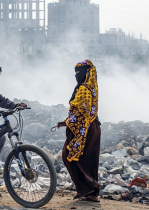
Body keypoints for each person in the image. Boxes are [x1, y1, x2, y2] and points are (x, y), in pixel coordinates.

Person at [57, 59, 101, 202]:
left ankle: (84, 188)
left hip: (83, 130)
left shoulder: (83, 89)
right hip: (94, 127)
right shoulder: (92, 88)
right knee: (89, 160)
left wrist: (67, 122)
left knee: (69, 155)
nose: (76, 75)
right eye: (75, 73)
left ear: (87, 73)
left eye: (79, 73)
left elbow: (81, 113)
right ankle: (93, 194)